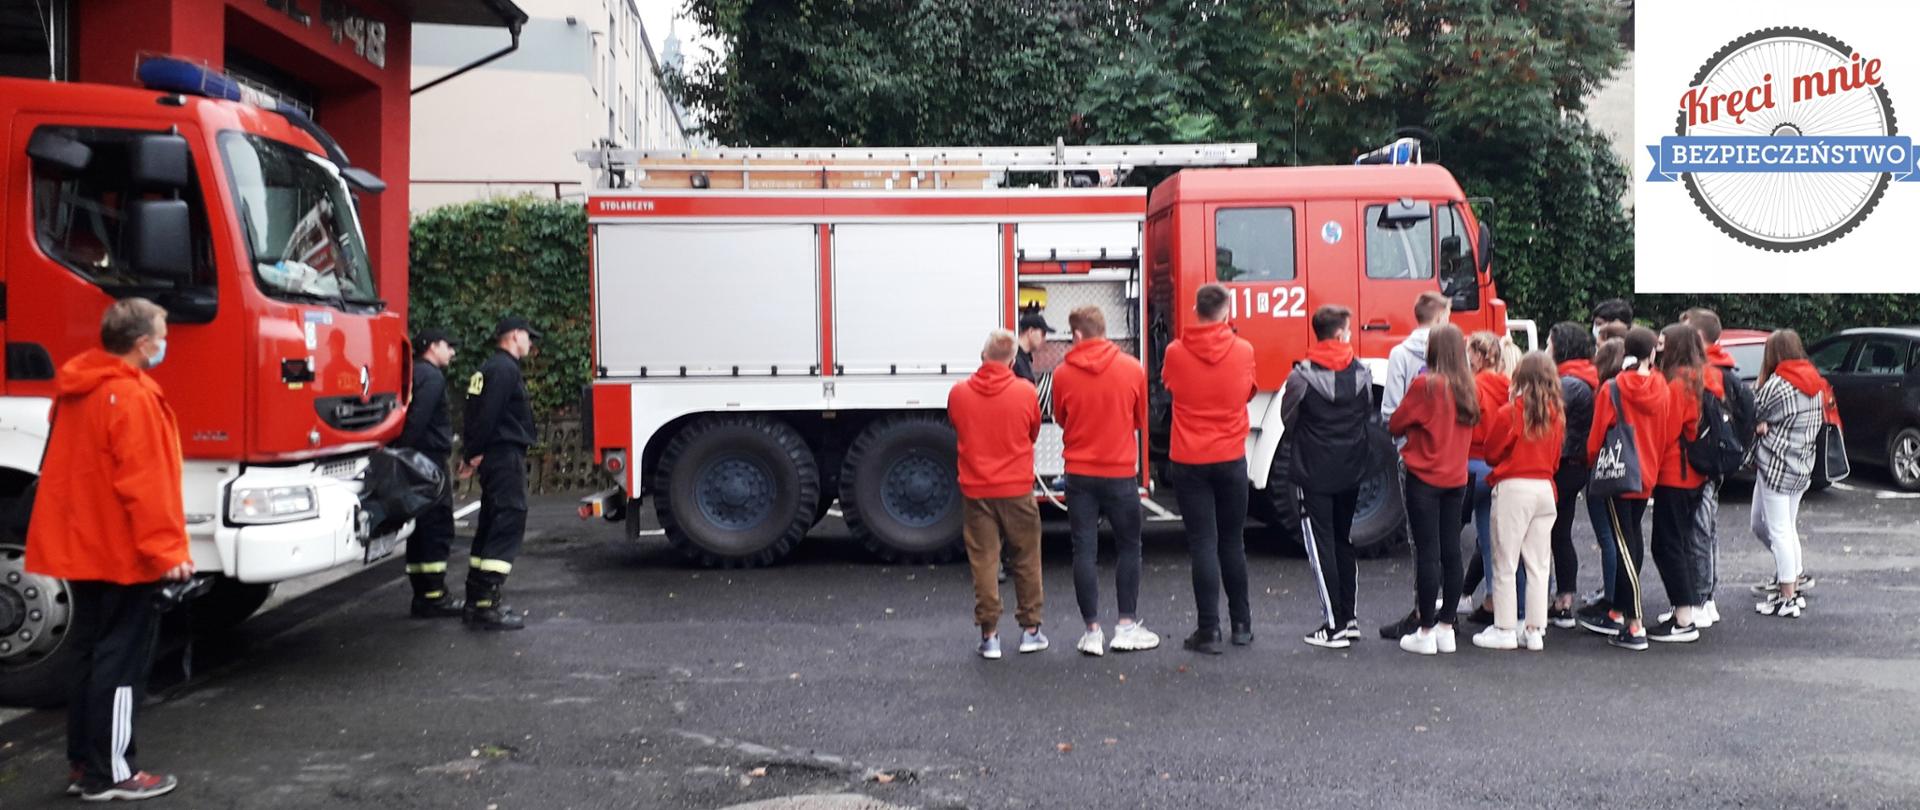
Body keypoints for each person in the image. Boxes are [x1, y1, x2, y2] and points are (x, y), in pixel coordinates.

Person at [26, 298, 190, 801]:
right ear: (143, 343)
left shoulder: (78, 388)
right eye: (161, 334)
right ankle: (114, 772)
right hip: (123, 552)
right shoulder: (133, 398)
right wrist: (169, 553)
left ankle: (85, 764)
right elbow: (146, 485)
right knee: (121, 664)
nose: (165, 341)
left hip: (82, 547)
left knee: (88, 656)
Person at [1052, 305, 1159, 656]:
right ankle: (1126, 625)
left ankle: (1092, 631)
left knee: (1084, 549)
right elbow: (1140, 418)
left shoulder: (1062, 373)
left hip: (1079, 474)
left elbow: (1061, 418)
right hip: (1119, 473)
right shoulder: (1132, 368)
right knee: (1129, 546)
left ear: (1078, 335)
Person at [1161, 284, 1258, 654]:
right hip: (1231, 457)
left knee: (1203, 542)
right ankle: (1242, 625)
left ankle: (1208, 629)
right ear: (1226, 310)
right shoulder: (1244, 350)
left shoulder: (1175, 352)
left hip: (1189, 458)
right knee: (1233, 541)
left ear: (1195, 309)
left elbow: (1170, 387)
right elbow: (1249, 391)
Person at [947, 330, 1046, 659]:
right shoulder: (1025, 392)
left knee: (985, 562)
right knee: (1026, 559)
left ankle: (989, 636)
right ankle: (1031, 630)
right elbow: (1032, 432)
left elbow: (958, 425)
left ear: (982, 355)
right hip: (1017, 488)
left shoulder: (959, 394)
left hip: (976, 490)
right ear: (1013, 359)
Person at [1282, 305, 1375, 649]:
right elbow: (1367, 412)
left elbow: (1287, 418)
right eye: (1349, 331)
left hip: (1314, 470)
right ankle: (1348, 620)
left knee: (1321, 548)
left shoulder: (1300, 378)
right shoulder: (1363, 373)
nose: (1351, 336)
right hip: (1351, 468)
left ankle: (1333, 626)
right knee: (1342, 540)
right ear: (1339, 335)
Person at [1579, 326, 1669, 651]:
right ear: (1653, 353)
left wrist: (1592, 463)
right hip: (1648, 470)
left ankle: (1634, 623)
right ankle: (1621, 610)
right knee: (1633, 538)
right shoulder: (1661, 386)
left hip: (1619, 472)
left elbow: (1595, 439)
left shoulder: (1613, 388)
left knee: (1624, 543)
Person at [1388, 324, 1476, 655]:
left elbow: (1396, 422)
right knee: (1451, 551)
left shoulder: (1427, 385)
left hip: (1424, 477)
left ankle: (1424, 630)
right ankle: (1445, 626)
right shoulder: (1468, 386)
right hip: (1456, 478)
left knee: (1428, 553)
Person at [1475, 351, 1564, 652]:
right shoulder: (1557, 414)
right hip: (1544, 488)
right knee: (1539, 564)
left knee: (1505, 561)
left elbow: (1492, 452)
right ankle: (1534, 629)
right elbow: (1554, 459)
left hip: (1514, 487)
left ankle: (1504, 627)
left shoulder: (1510, 412)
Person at [1375, 291, 1452, 640]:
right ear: (1439, 318)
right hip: (1452, 460)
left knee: (1421, 542)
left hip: (1416, 459)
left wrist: (1404, 443)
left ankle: (1423, 614)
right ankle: (1445, 617)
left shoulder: (1400, 355)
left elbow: (1390, 412)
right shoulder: (1457, 356)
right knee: (1448, 542)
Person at [460, 317, 541, 631]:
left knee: (492, 521)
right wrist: (476, 452)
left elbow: (474, 414)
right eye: (528, 337)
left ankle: (476, 597)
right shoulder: (506, 369)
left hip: (494, 454)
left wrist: (472, 452)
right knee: (509, 516)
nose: (530, 344)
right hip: (503, 454)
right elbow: (489, 414)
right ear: (515, 335)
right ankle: (486, 604)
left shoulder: (489, 369)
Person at [1680, 308, 1753, 628]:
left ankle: (1698, 599)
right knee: (1707, 532)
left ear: (1696, 337)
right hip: (1717, 461)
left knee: (1696, 532)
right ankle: (1707, 597)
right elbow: (1749, 416)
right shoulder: (1728, 370)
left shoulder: (1704, 373)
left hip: (1696, 464)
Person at [1749, 330, 1826, 617]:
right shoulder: (1815, 381)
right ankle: (1792, 577)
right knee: (1775, 526)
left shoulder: (1777, 385)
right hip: (1801, 464)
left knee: (1777, 529)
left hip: (1776, 465)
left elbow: (1753, 413)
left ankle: (1787, 596)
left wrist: (1760, 426)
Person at [1645, 322, 1709, 643]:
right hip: (1692, 474)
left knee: (1666, 544)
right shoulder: (1697, 378)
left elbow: (1665, 431)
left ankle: (1683, 617)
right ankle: (1685, 609)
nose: (1657, 348)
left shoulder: (1676, 384)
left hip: (1675, 473)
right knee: (1679, 542)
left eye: (1661, 343)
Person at [398, 328, 462, 619]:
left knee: (421, 527)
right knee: (437, 525)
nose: (452, 352)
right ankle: (434, 596)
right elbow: (419, 420)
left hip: (416, 460)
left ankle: (423, 593)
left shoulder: (415, 373)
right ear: (434, 346)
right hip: (429, 462)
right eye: (449, 346)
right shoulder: (432, 377)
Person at [1546, 323, 1598, 629]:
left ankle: (1559, 600)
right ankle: (1563, 600)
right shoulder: (1585, 376)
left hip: (1563, 463)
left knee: (1552, 533)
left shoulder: (1569, 382)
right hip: (1576, 464)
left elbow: (1545, 412)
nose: (1547, 348)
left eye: (1551, 343)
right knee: (1560, 532)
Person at [1460, 331, 1513, 623]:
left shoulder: (1472, 386)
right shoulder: (1508, 386)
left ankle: (1446, 600)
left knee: (1451, 537)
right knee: (1491, 540)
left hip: (1470, 464)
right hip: (1497, 467)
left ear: (1479, 356)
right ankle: (1495, 597)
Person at [1012, 312, 1053, 384]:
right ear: (1031, 331)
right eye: (1043, 334)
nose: (1044, 339)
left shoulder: (1024, 357)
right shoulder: (1014, 359)